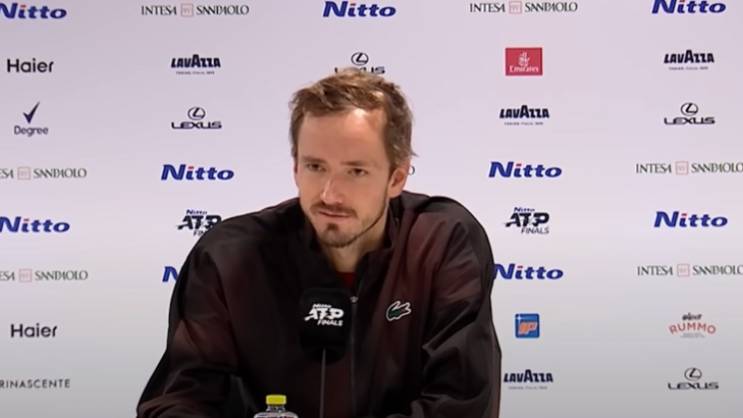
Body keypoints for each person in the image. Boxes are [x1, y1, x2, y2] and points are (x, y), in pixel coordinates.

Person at [136, 68, 501, 418]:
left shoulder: (441, 244)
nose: (330, 194)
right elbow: (179, 400)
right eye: (315, 167)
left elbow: (461, 404)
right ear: (295, 167)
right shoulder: (228, 258)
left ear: (397, 177)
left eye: (355, 171)